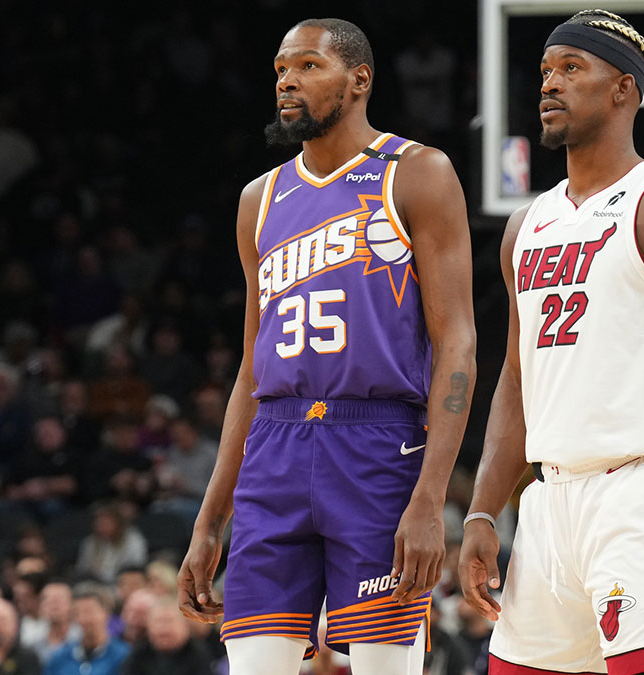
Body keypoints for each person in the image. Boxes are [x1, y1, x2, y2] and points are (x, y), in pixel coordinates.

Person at [176, 17, 475, 675]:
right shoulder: (259, 198)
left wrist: (432, 497)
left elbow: (458, 343)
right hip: (273, 451)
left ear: (359, 79)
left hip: (376, 444)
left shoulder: (417, 173)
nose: (287, 81)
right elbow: (251, 368)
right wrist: (209, 516)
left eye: (308, 66)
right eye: (281, 69)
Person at [458, 10, 644, 675]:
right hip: (548, 501)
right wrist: (481, 509)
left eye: (570, 68)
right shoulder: (525, 224)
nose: (549, 85)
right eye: (544, 72)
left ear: (622, 90)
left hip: (640, 493)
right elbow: (516, 378)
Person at [44, 584, 129, 675]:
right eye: (77, 613)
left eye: (89, 611)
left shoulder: (123, 655)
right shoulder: (59, 656)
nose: (83, 619)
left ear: (106, 613)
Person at [120, 598, 213, 675]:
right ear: (148, 625)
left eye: (169, 621)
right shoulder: (138, 654)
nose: (164, 628)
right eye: (158, 621)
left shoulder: (199, 654)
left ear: (185, 625)